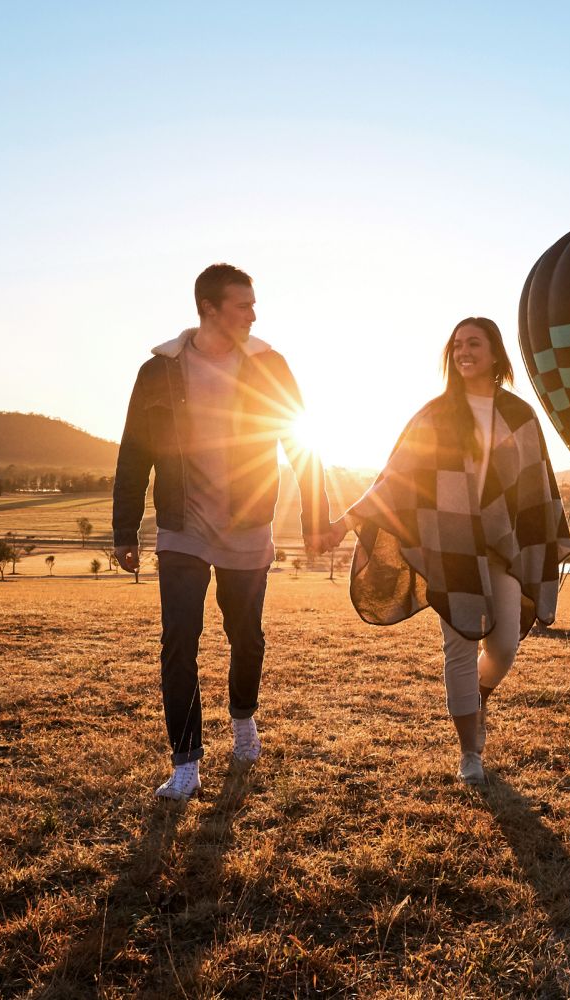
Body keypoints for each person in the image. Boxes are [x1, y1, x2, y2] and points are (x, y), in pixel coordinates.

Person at [112, 263, 331, 800]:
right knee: (178, 643)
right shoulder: (158, 371)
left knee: (247, 638)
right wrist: (124, 529)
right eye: (242, 305)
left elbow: (301, 442)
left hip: (247, 523)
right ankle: (186, 762)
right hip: (181, 527)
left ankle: (242, 719)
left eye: (254, 305)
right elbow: (134, 452)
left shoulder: (269, 365)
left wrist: (315, 518)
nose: (254, 314)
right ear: (208, 308)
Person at [328, 317, 570, 784]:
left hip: (501, 549)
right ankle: (469, 754)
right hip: (450, 549)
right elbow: (395, 477)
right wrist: (347, 520)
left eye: (474, 343)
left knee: (502, 647)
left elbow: (536, 483)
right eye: (457, 344)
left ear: (495, 354)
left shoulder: (519, 415)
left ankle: (479, 695)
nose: (464, 351)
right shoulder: (434, 415)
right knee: (459, 648)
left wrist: (539, 537)